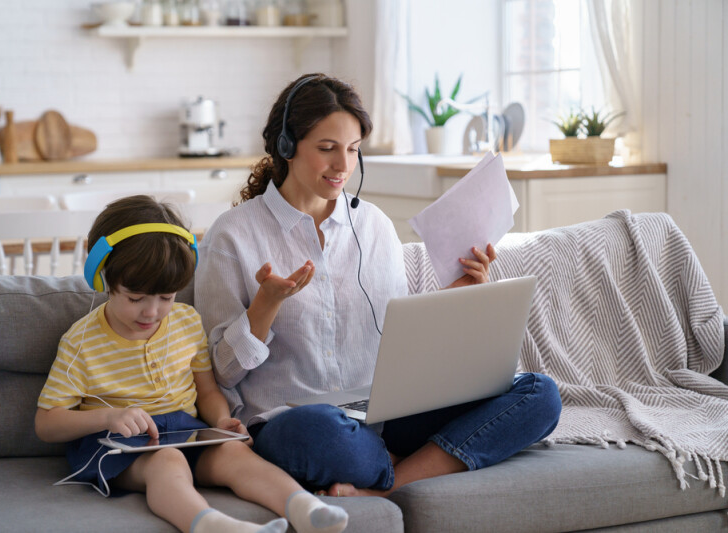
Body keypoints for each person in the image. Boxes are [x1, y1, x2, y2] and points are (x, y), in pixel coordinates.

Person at [192, 74, 562, 498]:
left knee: (539, 393)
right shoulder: (232, 235)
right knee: (316, 432)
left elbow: (399, 340)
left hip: (384, 414)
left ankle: (389, 482)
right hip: (294, 422)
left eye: (352, 150)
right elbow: (220, 372)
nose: (342, 166)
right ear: (286, 146)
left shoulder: (374, 226)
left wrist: (457, 297)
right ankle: (423, 461)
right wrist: (264, 307)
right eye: (327, 149)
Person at [35, 195, 349, 533]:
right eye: (136, 298)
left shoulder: (185, 322)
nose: (152, 312)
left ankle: (307, 510)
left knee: (235, 454)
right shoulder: (81, 341)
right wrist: (110, 416)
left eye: (166, 298)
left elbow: (207, 390)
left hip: (184, 431)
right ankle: (214, 527)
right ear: (103, 278)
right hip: (116, 447)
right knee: (167, 462)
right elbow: (46, 424)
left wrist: (221, 420)